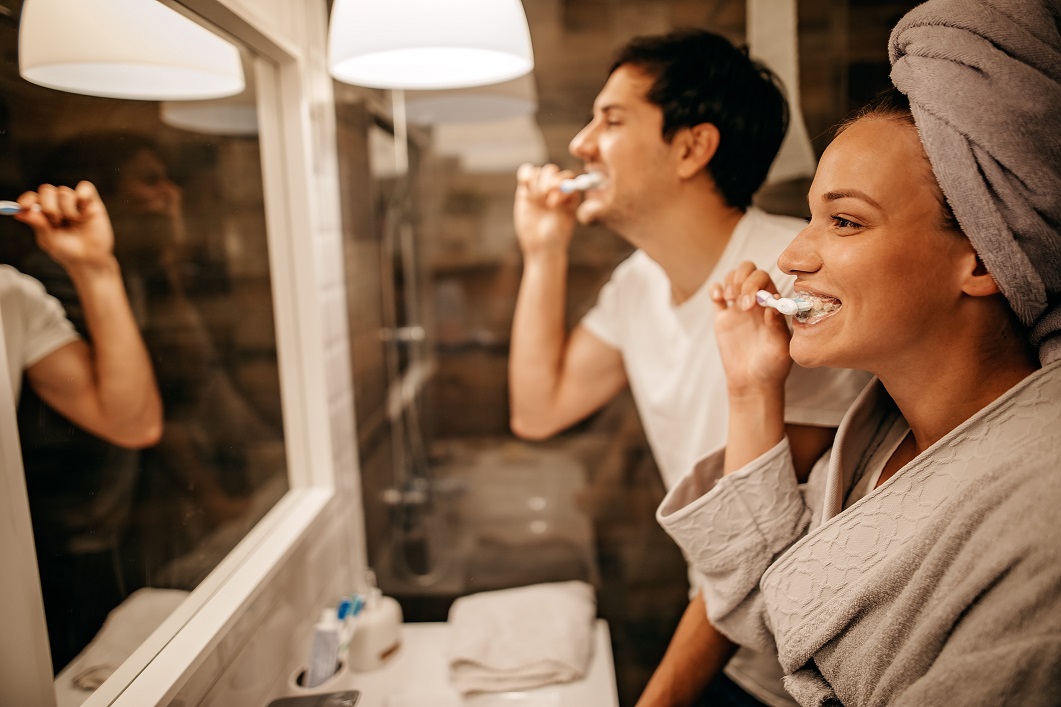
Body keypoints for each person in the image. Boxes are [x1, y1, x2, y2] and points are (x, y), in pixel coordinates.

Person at [657, 1, 1061, 704]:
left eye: (843, 221)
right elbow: (770, 609)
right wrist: (753, 389)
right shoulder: (881, 435)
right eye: (813, 215)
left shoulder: (1041, 510)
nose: (792, 256)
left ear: (979, 259)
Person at [509, 29, 870, 706]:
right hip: (723, 649)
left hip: (795, 673)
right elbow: (539, 408)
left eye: (610, 120)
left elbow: (764, 538)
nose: (580, 144)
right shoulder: (634, 284)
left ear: (691, 146)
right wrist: (542, 252)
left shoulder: (791, 279)